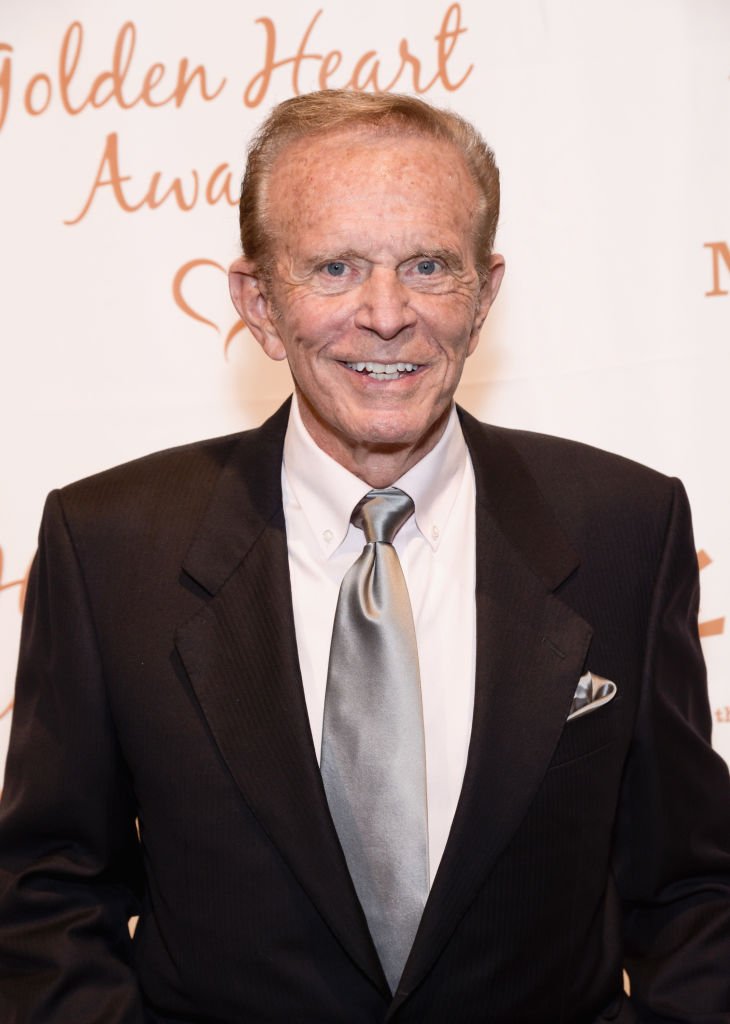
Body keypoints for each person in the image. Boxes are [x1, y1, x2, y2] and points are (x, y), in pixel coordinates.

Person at [1, 89, 729, 1024]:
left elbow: (691, 893)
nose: (386, 315)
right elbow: (49, 897)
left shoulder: (627, 527)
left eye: (429, 265)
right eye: (335, 268)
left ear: (486, 293)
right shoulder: (106, 546)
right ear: (259, 304)